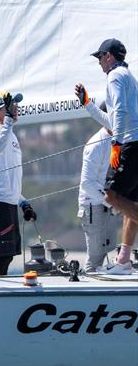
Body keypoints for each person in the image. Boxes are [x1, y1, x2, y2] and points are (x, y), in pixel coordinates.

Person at [75, 38, 138, 274]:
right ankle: (123, 261)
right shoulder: (126, 76)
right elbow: (112, 120)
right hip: (133, 141)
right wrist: (88, 105)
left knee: (112, 196)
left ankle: (123, 261)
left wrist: (117, 144)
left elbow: (119, 112)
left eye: (100, 57)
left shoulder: (114, 76)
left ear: (109, 56)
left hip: (131, 143)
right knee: (131, 203)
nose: (99, 62)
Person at [0, 90, 37, 276]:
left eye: (15, 106)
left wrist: (23, 203)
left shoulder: (10, 134)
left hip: (8, 201)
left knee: (9, 255)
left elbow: (9, 178)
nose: (15, 109)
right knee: (1, 256)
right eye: (9, 107)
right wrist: (9, 121)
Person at [77, 104, 118, 273]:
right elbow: (87, 182)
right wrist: (108, 200)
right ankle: (86, 291)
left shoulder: (117, 140)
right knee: (95, 256)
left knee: (107, 249)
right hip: (92, 205)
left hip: (107, 204)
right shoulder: (95, 144)